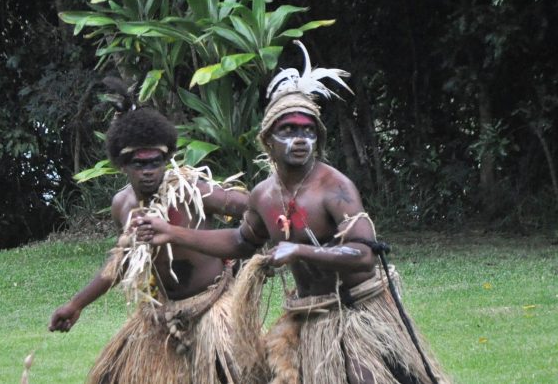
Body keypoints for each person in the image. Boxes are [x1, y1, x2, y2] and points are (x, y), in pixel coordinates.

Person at [142, 41, 449, 384]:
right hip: (310, 315)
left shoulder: (335, 188)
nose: (300, 138)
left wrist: (299, 250)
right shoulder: (264, 194)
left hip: (357, 312)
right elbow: (241, 240)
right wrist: (174, 234)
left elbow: (364, 256)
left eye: (308, 130)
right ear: (268, 139)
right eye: (288, 130)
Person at [48, 106, 249, 384]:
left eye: (155, 162)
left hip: (211, 307)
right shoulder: (122, 206)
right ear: (122, 165)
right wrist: (76, 304)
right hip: (161, 313)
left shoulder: (191, 192)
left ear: (166, 159)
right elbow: (125, 260)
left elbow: (250, 208)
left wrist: (258, 242)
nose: (148, 172)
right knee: (112, 378)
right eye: (138, 164)